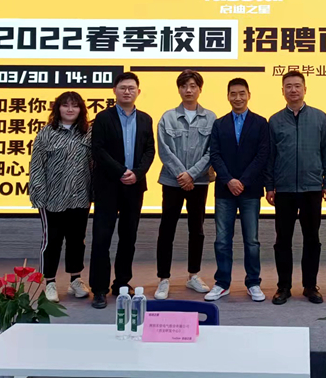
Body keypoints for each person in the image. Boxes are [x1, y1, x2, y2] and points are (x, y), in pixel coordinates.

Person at [266, 70, 326, 305]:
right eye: (288, 86)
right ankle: (283, 287)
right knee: (282, 240)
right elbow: (270, 157)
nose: (293, 90)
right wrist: (269, 186)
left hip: (312, 188)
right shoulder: (274, 120)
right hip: (284, 190)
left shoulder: (319, 117)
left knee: (312, 239)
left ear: (305, 89)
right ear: (282, 91)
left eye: (297, 86)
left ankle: (310, 286)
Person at [89, 72, 155, 309]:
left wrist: (137, 173)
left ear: (138, 91)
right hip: (108, 185)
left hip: (134, 186)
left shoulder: (146, 119)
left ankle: (122, 283)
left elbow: (150, 150)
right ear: (114, 91)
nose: (127, 91)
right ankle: (99, 288)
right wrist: (121, 171)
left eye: (131, 88)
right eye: (123, 87)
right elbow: (98, 150)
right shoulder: (103, 118)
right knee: (102, 237)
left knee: (128, 237)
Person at [205, 78, 269, 302]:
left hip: (250, 190)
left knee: (252, 241)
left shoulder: (261, 123)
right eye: (233, 93)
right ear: (228, 96)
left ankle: (253, 282)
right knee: (222, 240)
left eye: (242, 93)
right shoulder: (219, 124)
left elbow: (263, 155)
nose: (238, 97)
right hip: (225, 190)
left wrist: (243, 180)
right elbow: (214, 154)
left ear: (249, 95)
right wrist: (229, 180)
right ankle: (222, 283)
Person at [154, 70, 216, 300]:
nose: (188, 90)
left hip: (199, 181)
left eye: (193, 86)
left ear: (200, 89)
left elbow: (212, 151)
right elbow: (164, 150)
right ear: (178, 89)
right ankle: (163, 278)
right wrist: (182, 175)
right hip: (172, 181)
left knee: (197, 229)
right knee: (167, 229)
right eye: (184, 86)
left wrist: (191, 174)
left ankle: (193, 275)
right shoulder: (168, 117)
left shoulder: (210, 118)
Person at [29, 91, 93, 304]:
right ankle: (49, 282)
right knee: (52, 241)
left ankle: (75, 279)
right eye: (65, 105)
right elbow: (36, 166)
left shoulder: (87, 133)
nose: (70, 109)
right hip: (52, 199)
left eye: (75, 105)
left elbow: (94, 164)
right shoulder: (46, 133)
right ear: (58, 109)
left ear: (81, 109)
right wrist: (39, 194)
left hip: (80, 197)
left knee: (77, 240)